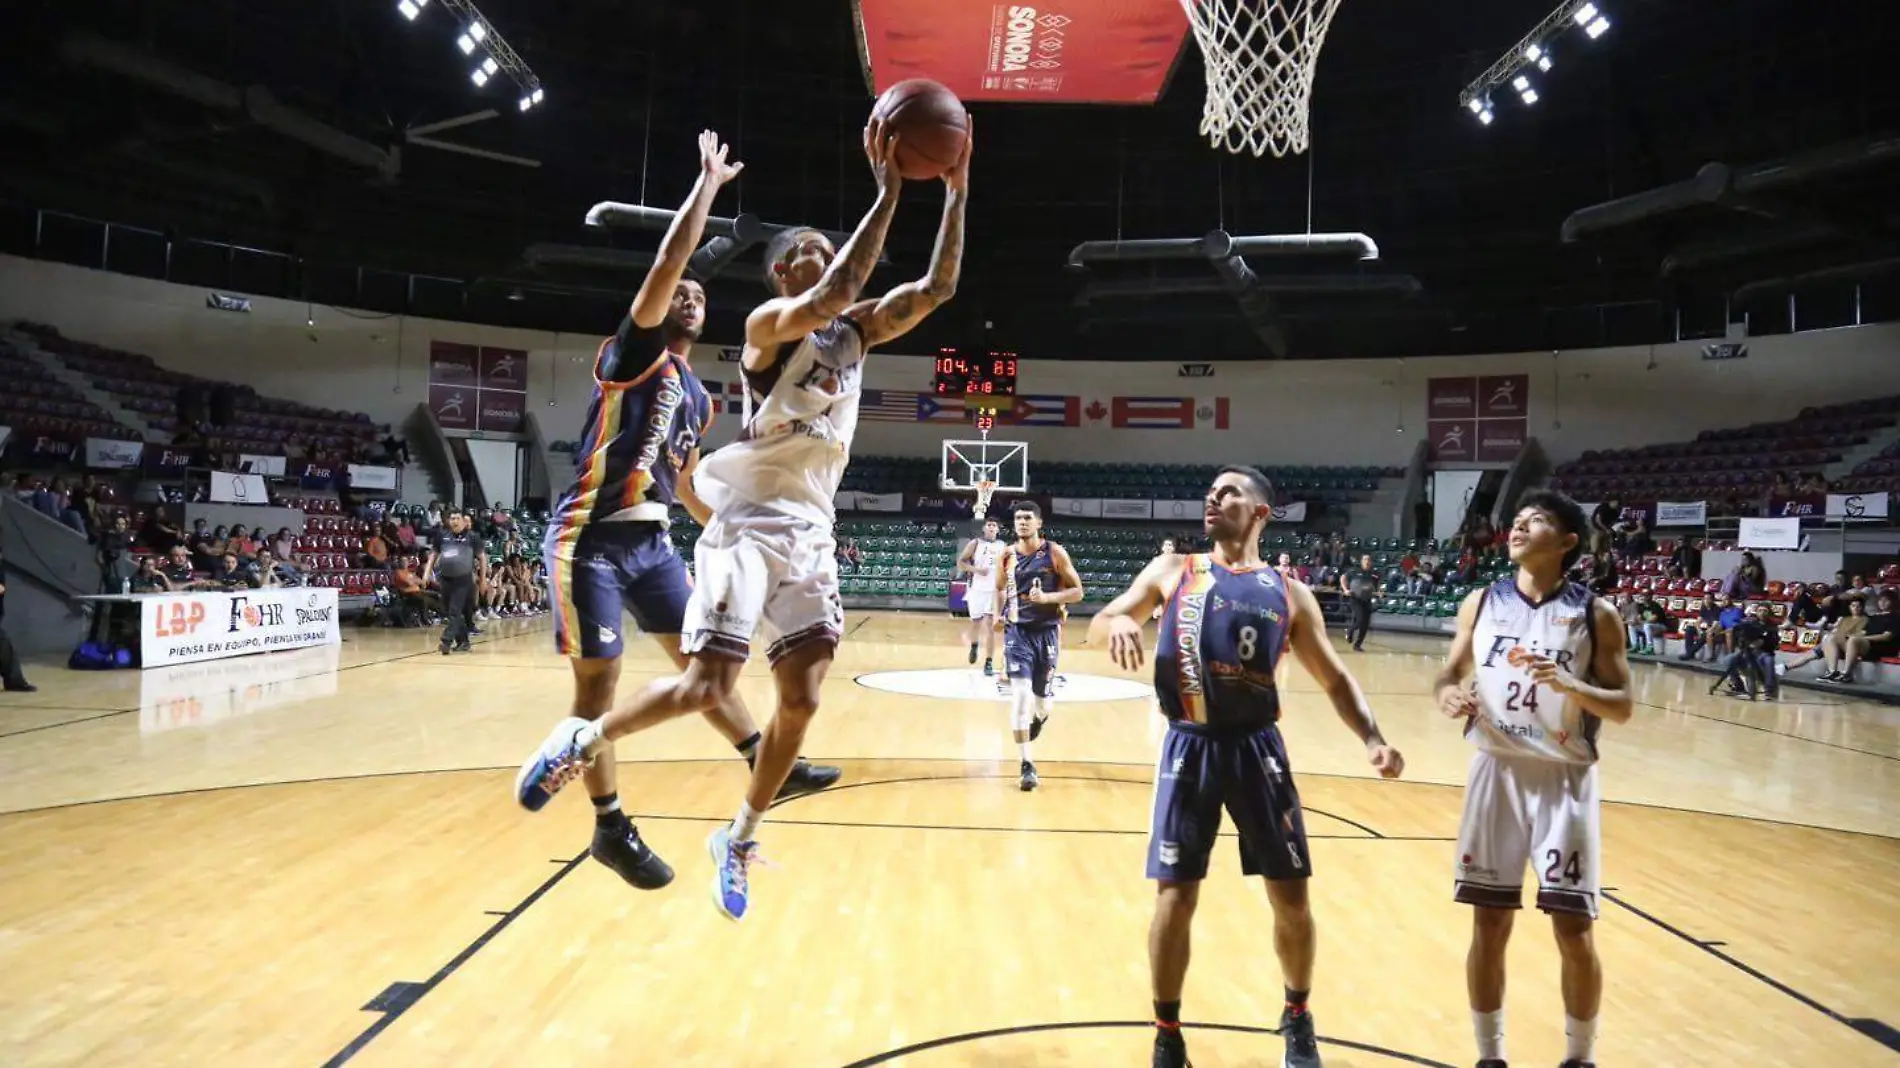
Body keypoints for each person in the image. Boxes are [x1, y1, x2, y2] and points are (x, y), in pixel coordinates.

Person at [518, 116, 970, 921]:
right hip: (748, 524)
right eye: (795, 251)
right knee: (709, 682)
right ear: (776, 276)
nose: (811, 253)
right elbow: (833, 291)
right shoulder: (766, 332)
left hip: (809, 529)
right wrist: (893, 187)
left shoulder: (858, 334)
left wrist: (958, 193)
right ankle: (580, 744)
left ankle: (740, 833)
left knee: (802, 699)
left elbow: (936, 290)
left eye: (816, 245)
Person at [513, 131, 844, 891]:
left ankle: (768, 763)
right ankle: (610, 826)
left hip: (656, 541)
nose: (691, 297)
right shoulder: (636, 357)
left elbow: (687, 479)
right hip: (589, 538)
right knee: (598, 683)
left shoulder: (698, 394)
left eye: (701, 296)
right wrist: (706, 190)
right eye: (682, 295)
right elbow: (669, 266)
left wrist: (716, 527)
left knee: (708, 672)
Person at [1091, 466, 1403, 1068]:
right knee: (1174, 897)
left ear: (1262, 511)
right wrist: (1123, 621)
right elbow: (1106, 619)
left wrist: (1373, 738)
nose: (1213, 497)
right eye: (1210, 490)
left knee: (1290, 898)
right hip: (1189, 746)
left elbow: (1334, 677)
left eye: (1229, 491)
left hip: (1260, 748)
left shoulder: (1287, 591)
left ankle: (1297, 1015)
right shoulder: (1173, 571)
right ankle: (1167, 1033)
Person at [1431, 489, 1633, 1068]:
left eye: (1535, 520)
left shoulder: (1597, 614)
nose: (1519, 526)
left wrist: (1571, 686)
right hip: (1495, 772)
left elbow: (1621, 707)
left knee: (1573, 927)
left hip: (1564, 780)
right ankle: (1489, 1056)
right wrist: (1448, 691)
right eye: (1516, 519)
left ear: (1568, 543)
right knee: (1489, 922)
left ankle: (1580, 1058)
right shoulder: (1481, 601)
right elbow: (1450, 669)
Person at [992, 501, 1083, 791]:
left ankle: (1039, 718)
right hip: (1017, 632)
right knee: (1020, 697)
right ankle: (1026, 764)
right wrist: (997, 614)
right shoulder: (1006, 555)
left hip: (1047, 634)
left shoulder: (1054, 553)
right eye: (1018, 518)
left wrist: (1048, 599)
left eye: (1028, 518)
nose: (1022, 522)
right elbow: (998, 588)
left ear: (1039, 523)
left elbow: (1078, 591)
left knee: (1042, 701)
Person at [424, 509, 481, 654]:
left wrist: (483, 580)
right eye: (452, 518)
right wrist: (427, 572)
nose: (454, 521)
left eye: (457, 518)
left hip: (463, 579)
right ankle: (463, 642)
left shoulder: (472, 537)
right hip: (445, 579)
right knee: (450, 612)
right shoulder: (442, 535)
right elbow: (433, 555)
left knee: (455, 611)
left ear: (463, 521)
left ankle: (446, 641)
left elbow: (483, 558)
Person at [955, 517, 1004, 674]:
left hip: (994, 591)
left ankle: (988, 662)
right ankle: (974, 646)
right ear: (984, 528)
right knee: (976, 622)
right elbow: (961, 563)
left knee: (990, 625)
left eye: (994, 525)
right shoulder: (975, 543)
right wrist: (977, 570)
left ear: (998, 530)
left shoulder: (1002, 546)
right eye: (989, 525)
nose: (991, 527)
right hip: (976, 589)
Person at [1338, 552, 1379, 651]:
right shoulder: (1354, 571)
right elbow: (1342, 578)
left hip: (1367, 599)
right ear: (1361, 561)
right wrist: (1345, 589)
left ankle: (1357, 645)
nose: (1367, 562)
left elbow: (1376, 585)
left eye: (1369, 560)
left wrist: (1378, 592)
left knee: (1365, 624)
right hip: (1355, 598)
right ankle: (1349, 631)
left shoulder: (1374, 573)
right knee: (1360, 619)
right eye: (1365, 560)